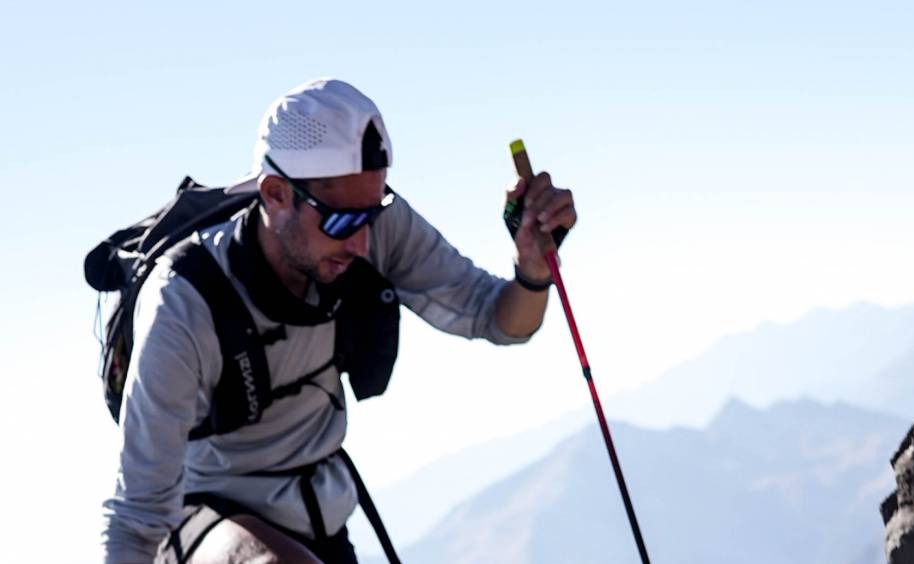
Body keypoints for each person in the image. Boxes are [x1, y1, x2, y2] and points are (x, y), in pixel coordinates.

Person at [101, 78, 577, 563]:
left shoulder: (375, 224)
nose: (362, 244)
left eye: (372, 214)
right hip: (205, 517)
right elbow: (136, 518)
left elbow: (502, 320)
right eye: (342, 222)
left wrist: (534, 270)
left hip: (321, 520)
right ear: (275, 194)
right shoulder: (185, 299)